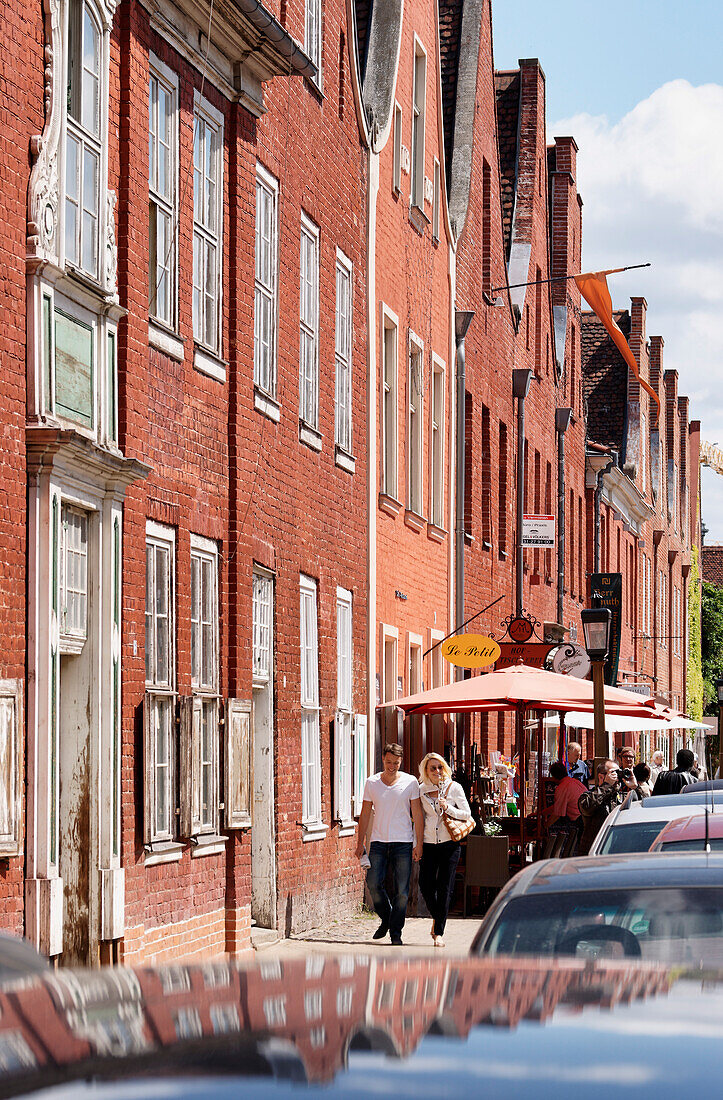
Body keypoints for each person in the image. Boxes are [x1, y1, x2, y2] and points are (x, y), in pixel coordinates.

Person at [355, 743, 424, 945]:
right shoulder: (372, 782)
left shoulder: (410, 782)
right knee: (373, 883)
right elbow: (365, 813)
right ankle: (387, 918)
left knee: (402, 891)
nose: (392, 766)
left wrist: (418, 844)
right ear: (382, 759)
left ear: (401, 761)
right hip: (378, 842)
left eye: (396, 762)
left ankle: (396, 933)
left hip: (403, 842)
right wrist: (360, 843)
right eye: (388, 762)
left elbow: (417, 814)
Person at [418, 753, 471, 948]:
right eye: (433, 768)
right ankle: (437, 916)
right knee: (425, 884)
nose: (437, 771)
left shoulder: (454, 787)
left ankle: (439, 932)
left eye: (440, 767)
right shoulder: (421, 790)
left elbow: (466, 814)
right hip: (429, 843)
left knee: (445, 887)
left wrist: (448, 807)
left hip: (450, 844)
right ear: (426, 770)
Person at [578, 758, 639, 855]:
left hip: (617, 851)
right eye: (613, 773)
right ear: (601, 777)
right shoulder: (588, 796)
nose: (617, 776)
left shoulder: (624, 797)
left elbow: (645, 809)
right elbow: (587, 807)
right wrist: (607, 786)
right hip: (594, 852)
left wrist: (635, 787)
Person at [546, 761, 586, 831]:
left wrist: (544, 826)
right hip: (585, 818)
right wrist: (541, 813)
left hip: (578, 822)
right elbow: (558, 806)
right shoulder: (575, 782)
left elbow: (557, 814)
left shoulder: (562, 788)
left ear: (554, 777)